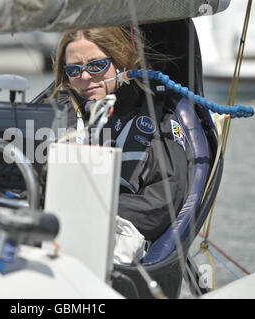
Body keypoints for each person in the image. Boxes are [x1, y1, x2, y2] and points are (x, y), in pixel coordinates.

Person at [48, 27, 190, 265]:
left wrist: (84, 212)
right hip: (46, 233)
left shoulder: (159, 121)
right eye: (74, 69)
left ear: (122, 61)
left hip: (114, 247)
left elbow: (164, 202)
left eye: (96, 65)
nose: (84, 77)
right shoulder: (54, 114)